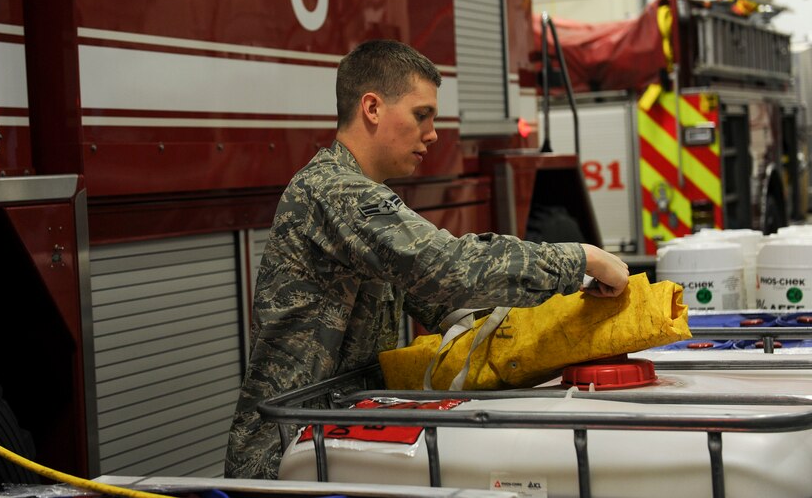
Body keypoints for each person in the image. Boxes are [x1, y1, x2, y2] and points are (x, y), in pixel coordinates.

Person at [224, 39, 629, 479]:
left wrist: (569, 324)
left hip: (331, 442)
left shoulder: (363, 197)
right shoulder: (334, 191)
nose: (433, 134)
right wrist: (580, 258)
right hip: (286, 460)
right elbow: (448, 269)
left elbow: (449, 306)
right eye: (421, 115)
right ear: (372, 108)